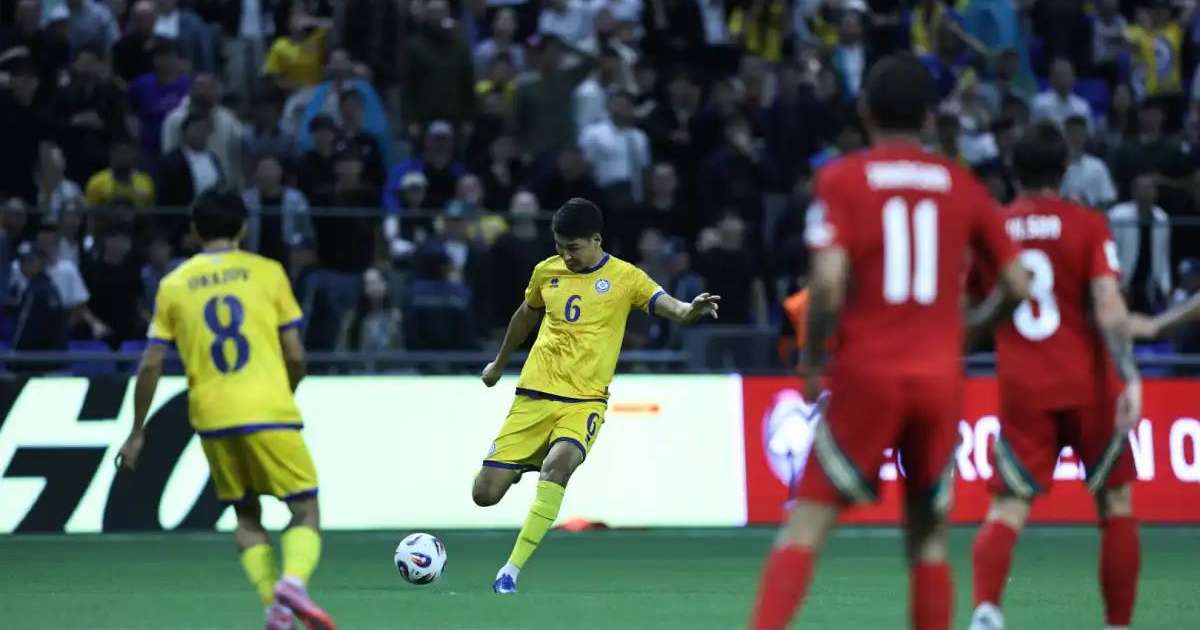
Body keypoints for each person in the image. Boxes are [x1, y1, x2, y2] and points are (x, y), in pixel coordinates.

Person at [747, 55, 1030, 630]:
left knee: (807, 524)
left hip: (868, 374)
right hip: (939, 379)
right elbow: (1018, 283)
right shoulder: (961, 185)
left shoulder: (844, 179)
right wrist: (971, 329)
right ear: (929, 117)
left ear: (865, 111)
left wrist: (813, 360)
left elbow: (827, 284)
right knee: (928, 537)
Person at [474, 197, 722, 594]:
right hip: (534, 395)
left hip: (584, 402)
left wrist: (689, 310)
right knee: (484, 494)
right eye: (559, 247)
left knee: (558, 466)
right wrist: (499, 364)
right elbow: (525, 316)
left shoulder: (626, 278)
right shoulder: (546, 271)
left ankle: (510, 571)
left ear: (596, 240)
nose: (566, 256)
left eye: (573, 247)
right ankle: (521, 465)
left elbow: (673, 308)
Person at [116, 190, 336, 630]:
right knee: (304, 509)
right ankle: (293, 582)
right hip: (269, 409)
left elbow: (152, 362)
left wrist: (137, 430)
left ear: (194, 230)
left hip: (212, 416)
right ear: (244, 227)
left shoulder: (174, 284)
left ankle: (274, 608)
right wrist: (285, 390)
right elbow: (295, 354)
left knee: (246, 514)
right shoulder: (268, 272)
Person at [968, 122, 1142, 630]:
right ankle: (1117, 624)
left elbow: (970, 310)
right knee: (1115, 504)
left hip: (1025, 388)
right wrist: (1130, 375)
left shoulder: (993, 229)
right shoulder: (1088, 224)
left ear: (1012, 170)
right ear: (1064, 171)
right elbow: (1107, 303)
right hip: (1090, 387)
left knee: (1008, 508)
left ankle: (986, 611)